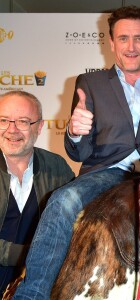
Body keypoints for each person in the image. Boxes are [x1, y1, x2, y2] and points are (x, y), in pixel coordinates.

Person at [14, 5, 140, 299]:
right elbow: (79, 152)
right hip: (105, 173)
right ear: (111, 43)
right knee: (62, 199)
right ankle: (31, 294)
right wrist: (74, 131)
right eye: (123, 38)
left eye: (139, 39)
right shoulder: (89, 84)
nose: (131, 47)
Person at [0, 91, 74, 298]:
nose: (11, 130)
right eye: (4, 120)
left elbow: (77, 221)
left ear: (39, 127)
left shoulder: (57, 166)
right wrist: (33, 254)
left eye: (23, 121)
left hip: (39, 285)